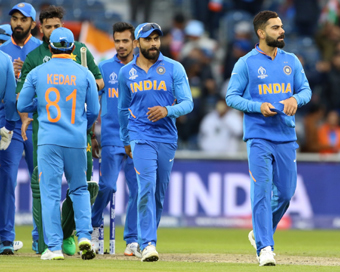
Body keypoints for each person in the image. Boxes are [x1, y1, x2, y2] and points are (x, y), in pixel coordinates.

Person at [226, 11, 312, 266]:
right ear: (261, 33)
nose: (281, 31)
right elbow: (231, 97)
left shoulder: (292, 61)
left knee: (286, 193)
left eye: (281, 26)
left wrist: (295, 99)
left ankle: (259, 233)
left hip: (285, 135)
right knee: (261, 191)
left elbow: (306, 90)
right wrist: (257, 106)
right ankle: (265, 248)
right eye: (275, 27)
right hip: (259, 136)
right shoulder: (246, 63)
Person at [16, 5, 103, 255]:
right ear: (73, 48)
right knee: (80, 189)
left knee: (51, 193)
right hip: (76, 138)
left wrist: (39, 107)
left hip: (48, 140)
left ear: (50, 47)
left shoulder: (37, 71)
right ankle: (85, 236)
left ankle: (53, 247)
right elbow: (94, 110)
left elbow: (22, 103)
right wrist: (81, 125)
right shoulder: (84, 73)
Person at [118, 22, 193, 262]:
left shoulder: (174, 68)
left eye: (156, 39)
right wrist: (126, 139)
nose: (153, 43)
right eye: (148, 39)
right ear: (137, 43)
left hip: (166, 137)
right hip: (140, 135)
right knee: (146, 186)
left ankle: (145, 239)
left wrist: (167, 110)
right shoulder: (126, 73)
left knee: (158, 194)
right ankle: (148, 244)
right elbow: (122, 109)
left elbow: (188, 103)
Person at [90, 22, 140, 257]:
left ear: (134, 42)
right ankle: (93, 223)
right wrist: (91, 133)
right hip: (111, 136)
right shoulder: (104, 66)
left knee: (138, 190)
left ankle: (132, 239)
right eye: (117, 41)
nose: (120, 45)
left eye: (125, 41)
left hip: (139, 138)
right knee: (107, 186)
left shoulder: (143, 67)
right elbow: (91, 101)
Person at [0, 2, 42, 254]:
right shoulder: (2, 51)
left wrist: (25, 75)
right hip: (11, 123)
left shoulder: (42, 51)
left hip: (37, 123)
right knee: (6, 179)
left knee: (42, 180)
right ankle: (6, 239)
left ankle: (41, 238)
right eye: (14, 18)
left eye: (23, 19)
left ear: (32, 24)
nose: (17, 23)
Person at [0, 49, 21, 255]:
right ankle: (6, 239)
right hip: (2, 124)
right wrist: (8, 128)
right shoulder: (5, 60)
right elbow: (10, 100)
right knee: (6, 180)